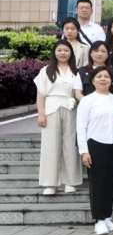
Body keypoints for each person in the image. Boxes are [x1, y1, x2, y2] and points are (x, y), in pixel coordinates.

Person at [76, 66, 113, 235]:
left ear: (111, 80)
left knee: (111, 182)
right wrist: (84, 151)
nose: (103, 79)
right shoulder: (87, 101)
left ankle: (107, 216)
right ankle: (99, 220)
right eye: (99, 76)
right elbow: (81, 127)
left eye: (106, 76)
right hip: (96, 144)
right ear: (93, 80)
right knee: (97, 183)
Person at [34, 40, 81, 195]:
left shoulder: (76, 71)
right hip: (51, 109)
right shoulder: (46, 70)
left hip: (71, 108)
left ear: (71, 53)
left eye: (66, 50)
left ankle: (70, 182)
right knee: (50, 146)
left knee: (71, 145)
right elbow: (41, 95)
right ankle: (50, 183)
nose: (62, 53)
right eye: (59, 50)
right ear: (54, 52)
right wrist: (41, 114)